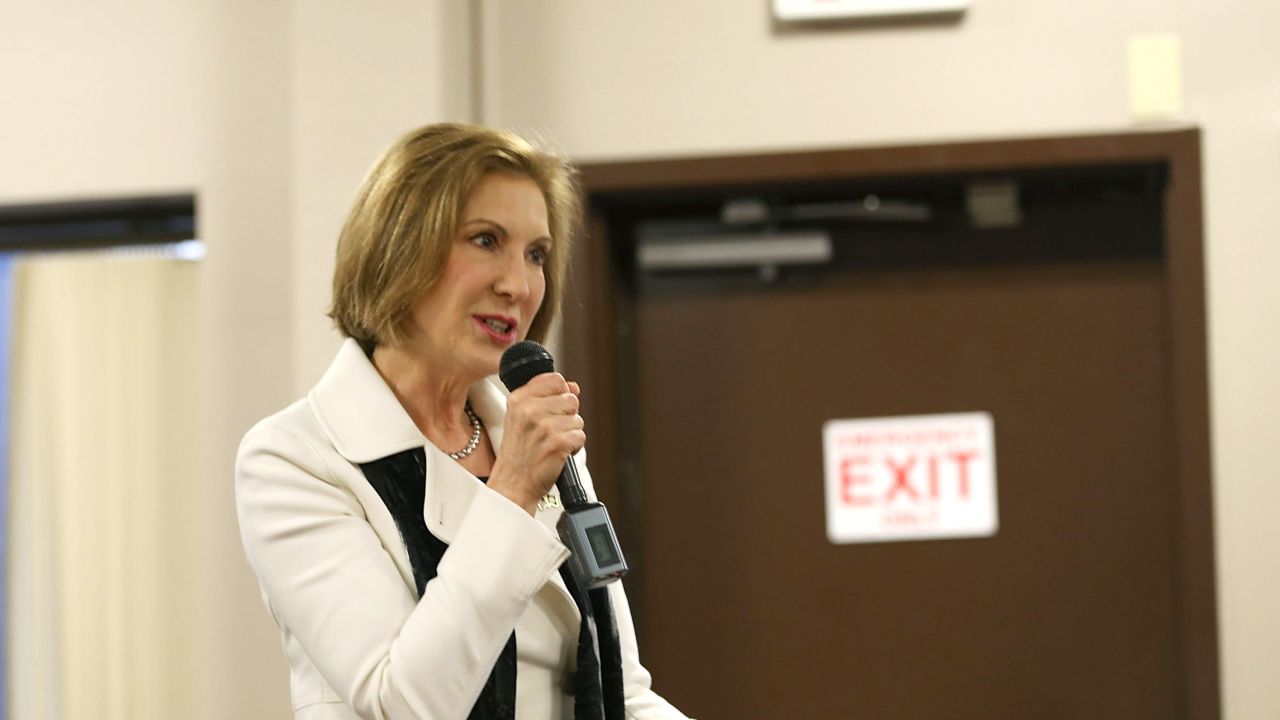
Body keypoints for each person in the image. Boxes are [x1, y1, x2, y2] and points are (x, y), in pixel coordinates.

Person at [235, 123, 692, 720]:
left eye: (537, 254)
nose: (519, 284)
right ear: (398, 249)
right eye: (485, 240)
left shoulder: (539, 446)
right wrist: (513, 491)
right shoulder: (294, 459)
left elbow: (621, 692)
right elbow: (403, 703)